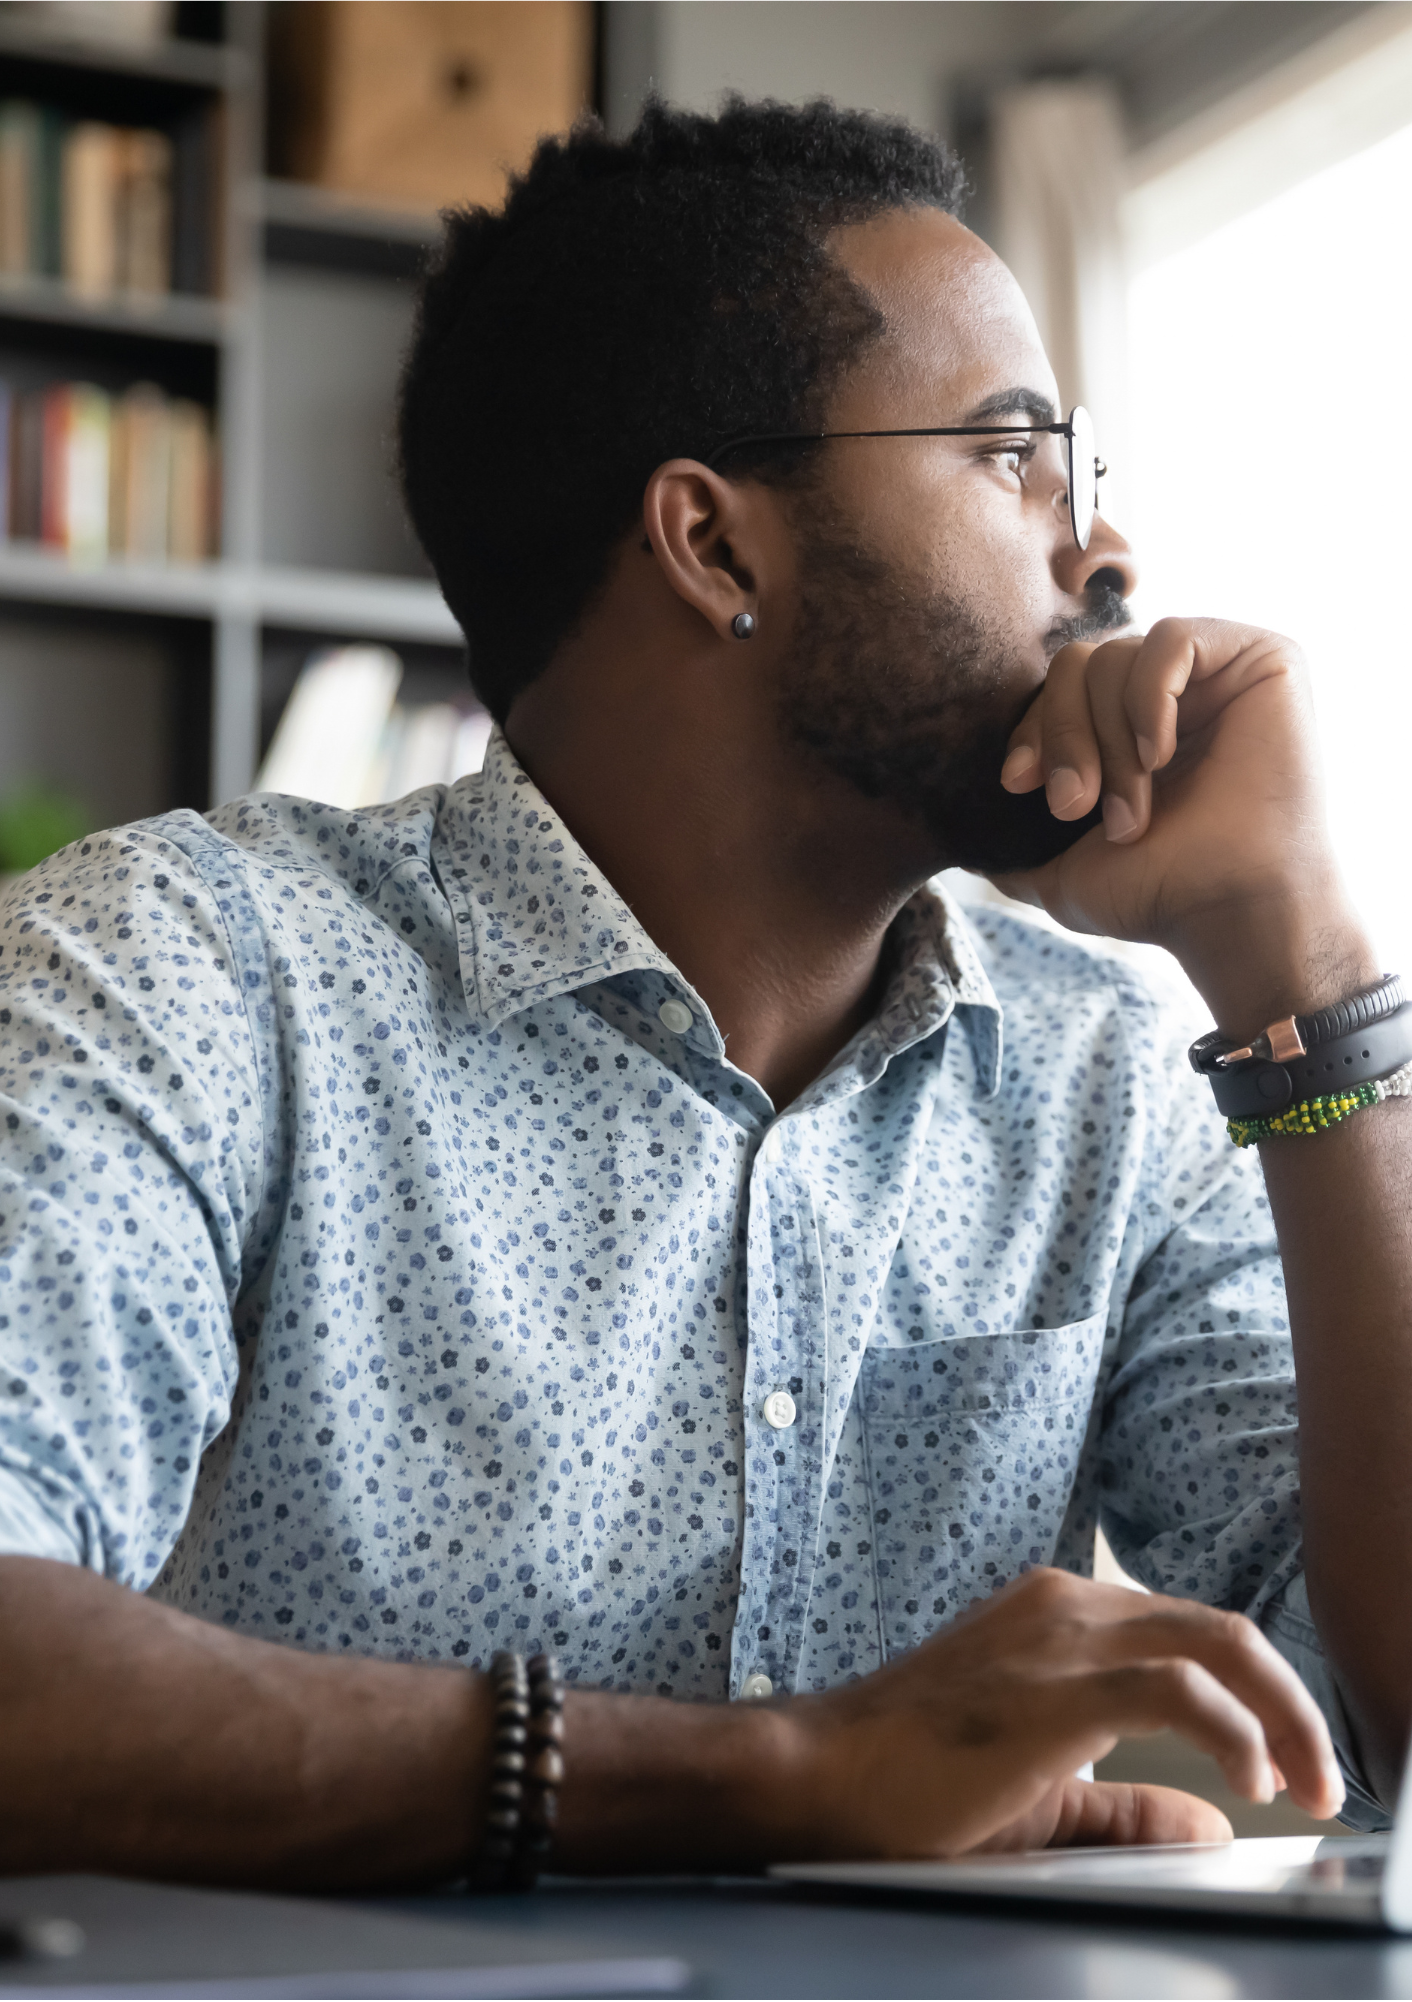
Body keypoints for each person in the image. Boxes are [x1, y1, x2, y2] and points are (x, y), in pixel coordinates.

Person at [0, 93, 1399, 1890]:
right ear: (715, 544)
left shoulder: (1105, 1077)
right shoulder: (193, 975)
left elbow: (1373, 1722)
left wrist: (1313, 967)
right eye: (1009, 459)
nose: (1105, 557)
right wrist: (790, 1774)